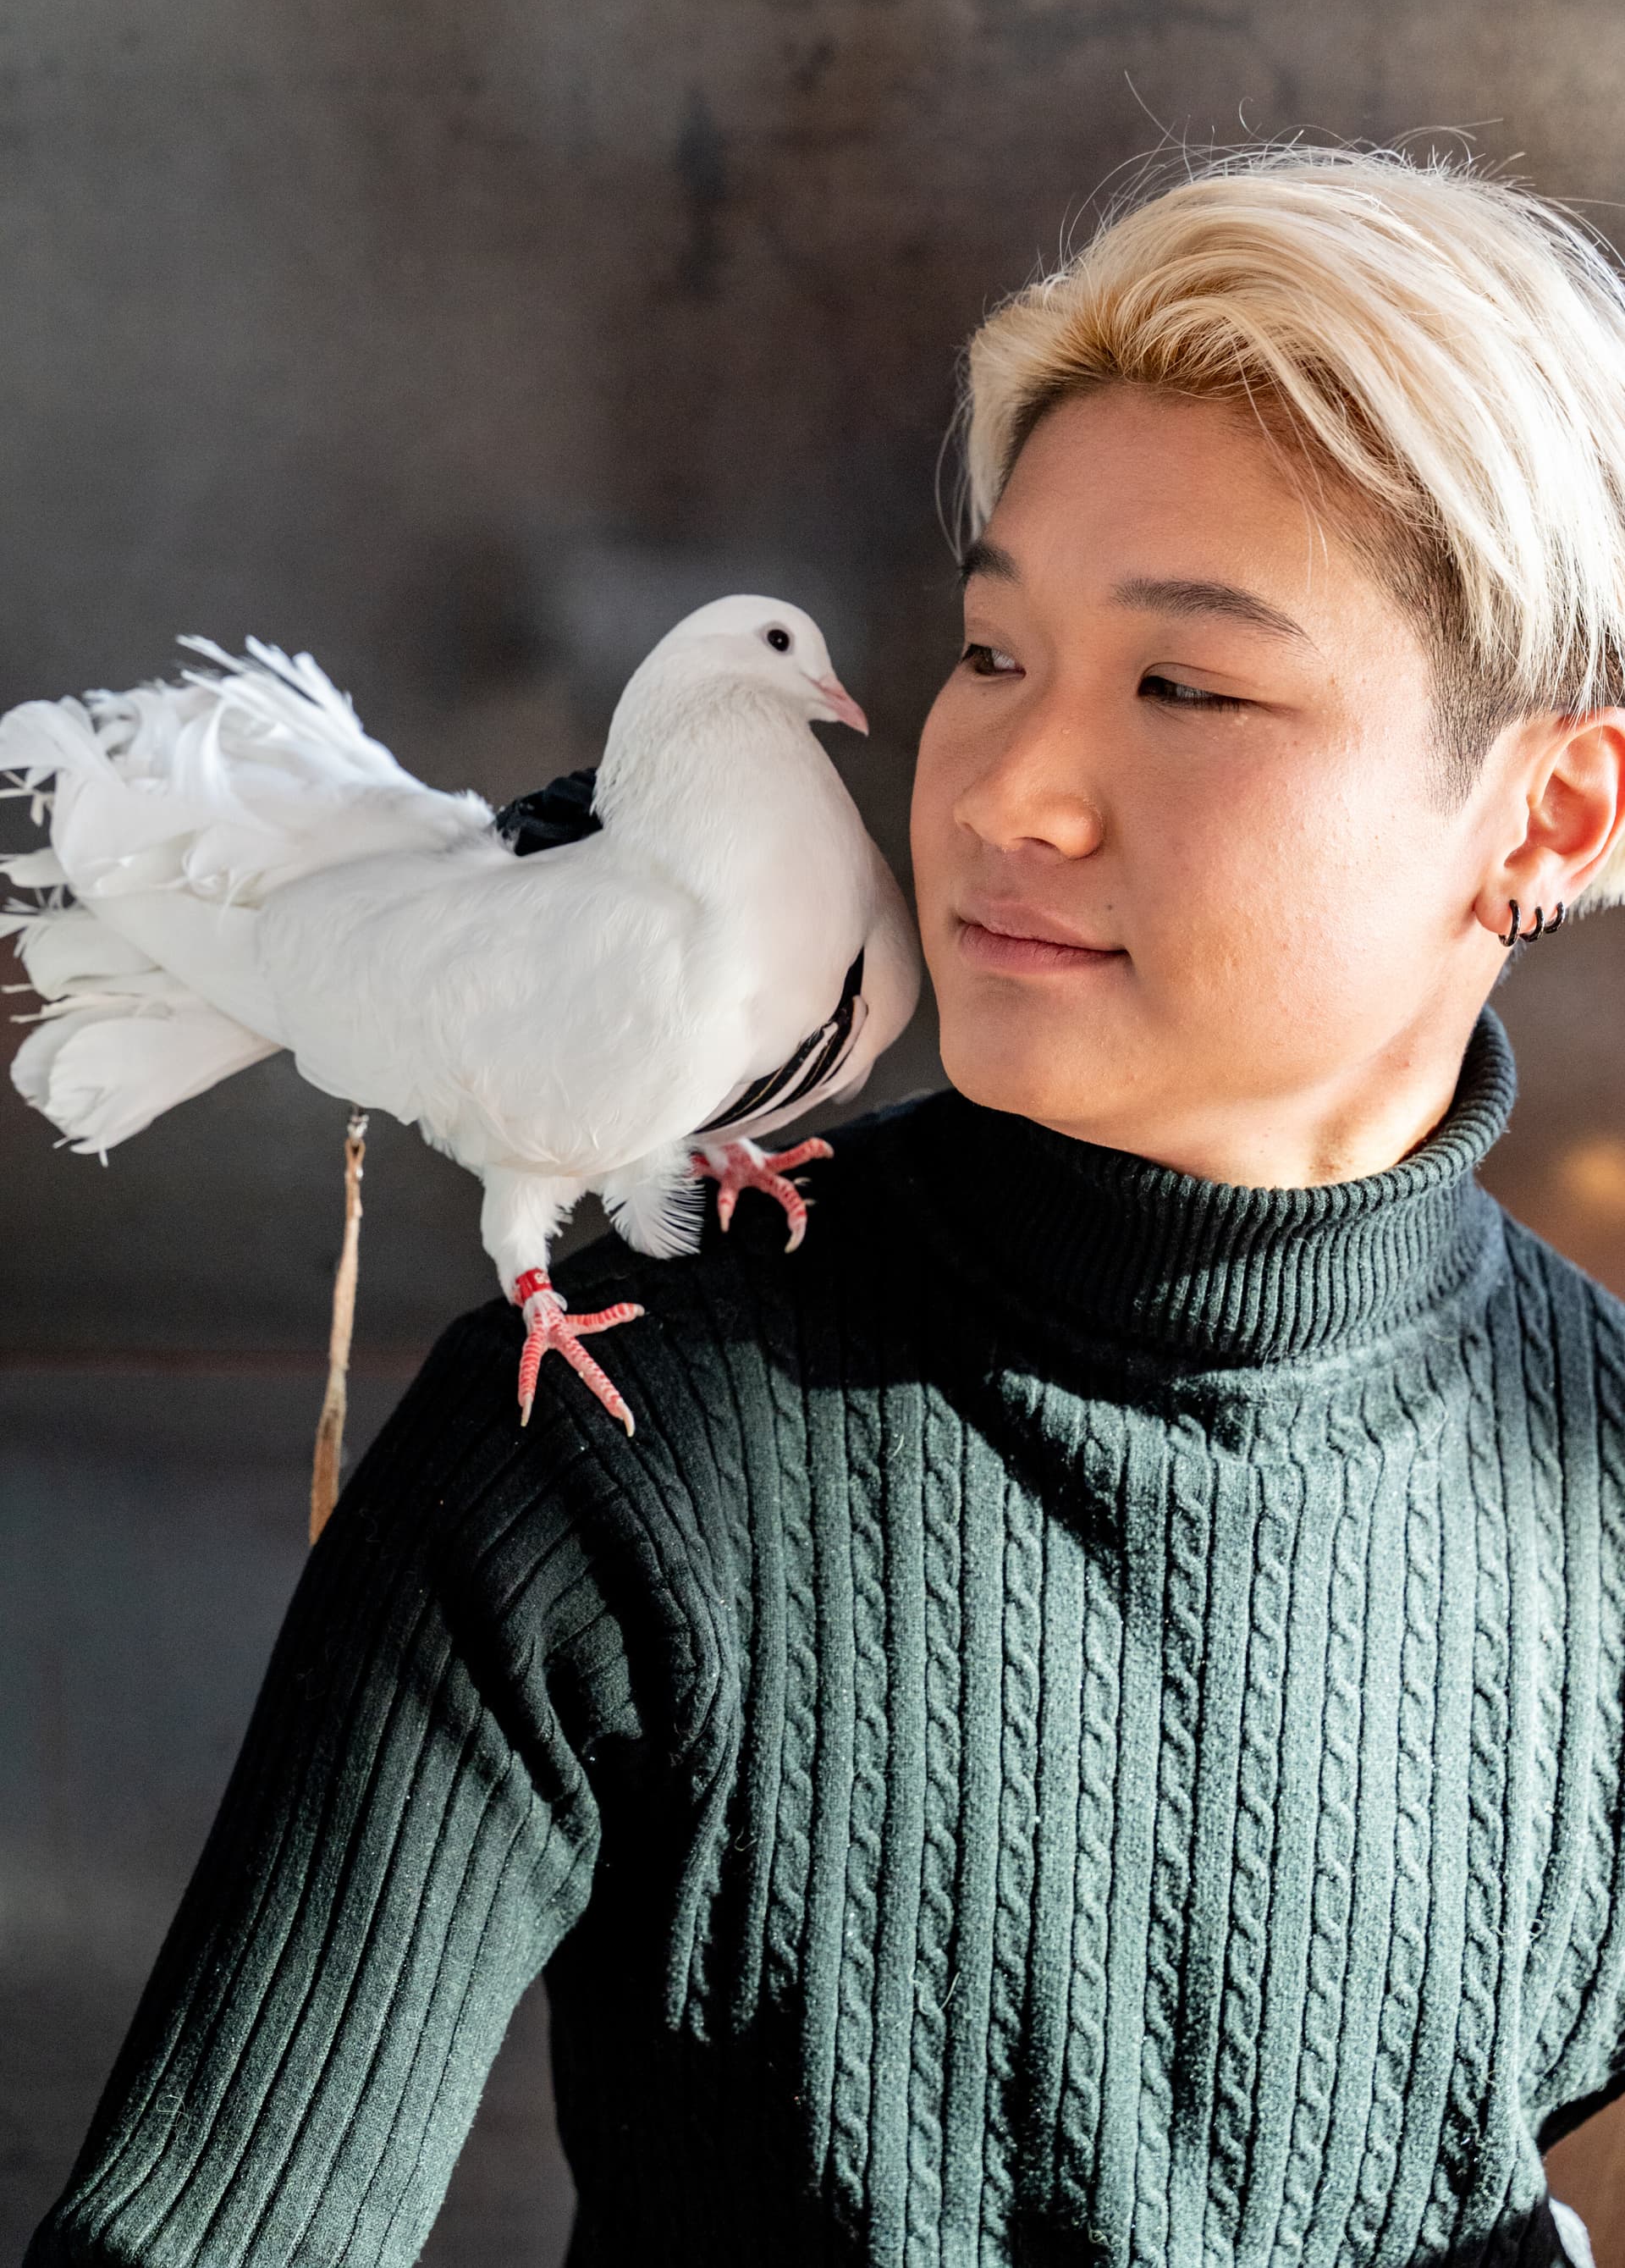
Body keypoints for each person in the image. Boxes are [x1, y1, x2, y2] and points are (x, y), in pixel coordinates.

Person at [25, 138, 1625, 2268]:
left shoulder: (1600, 1482)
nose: (1005, 791)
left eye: (1185, 685)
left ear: (1552, 808)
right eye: (990, 651)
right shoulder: (602, 1448)